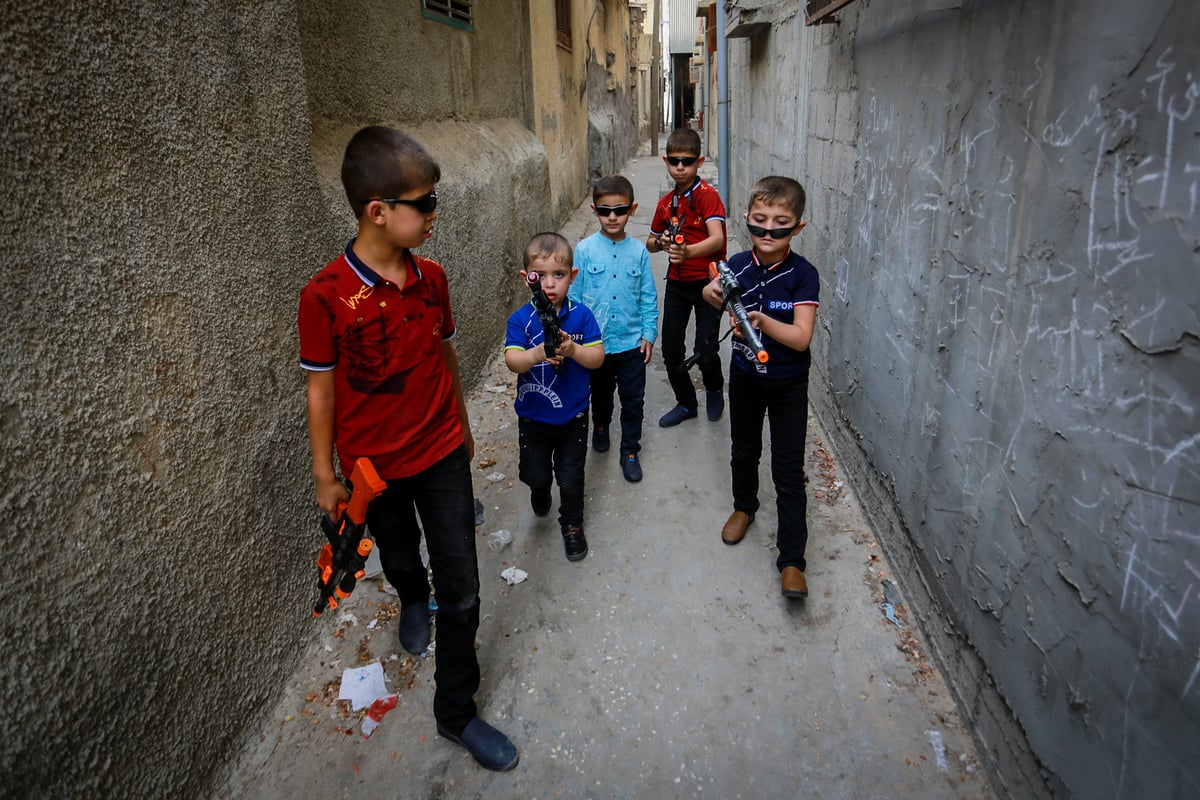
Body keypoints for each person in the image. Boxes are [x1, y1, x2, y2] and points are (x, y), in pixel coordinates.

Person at [298, 126, 518, 771]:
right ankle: (411, 598)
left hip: (442, 451)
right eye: (423, 203)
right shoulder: (325, 295)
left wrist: (462, 421)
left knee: (467, 590)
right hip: (373, 471)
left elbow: (445, 351)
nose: (433, 214)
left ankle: (456, 712)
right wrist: (324, 478)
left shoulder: (433, 278)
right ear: (378, 211)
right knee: (398, 556)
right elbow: (320, 394)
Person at [701, 176, 819, 599]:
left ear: (798, 228)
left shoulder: (803, 276)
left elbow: (802, 337)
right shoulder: (737, 264)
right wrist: (717, 293)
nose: (768, 233)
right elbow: (710, 290)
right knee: (743, 449)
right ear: (746, 220)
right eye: (759, 223)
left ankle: (792, 560)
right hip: (746, 377)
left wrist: (763, 322)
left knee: (788, 471)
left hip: (788, 384)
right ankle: (743, 506)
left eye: (780, 225)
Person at [505, 232, 605, 561]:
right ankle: (538, 487)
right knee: (535, 472)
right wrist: (537, 353)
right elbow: (512, 361)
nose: (550, 285)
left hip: (573, 416)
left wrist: (573, 349)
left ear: (572, 276)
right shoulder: (521, 319)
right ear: (527, 279)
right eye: (541, 276)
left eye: (558, 275)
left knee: (572, 478)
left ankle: (572, 525)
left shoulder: (582, 316)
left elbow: (597, 358)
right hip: (534, 417)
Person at [569, 175, 658, 483]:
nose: (612, 217)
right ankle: (602, 425)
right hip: (597, 346)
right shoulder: (584, 250)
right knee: (601, 394)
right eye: (605, 210)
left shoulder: (639, 253)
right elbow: (575, 298)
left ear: (631, 210)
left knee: (634, 399)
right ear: (595, 210)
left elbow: (648, 296)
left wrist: (649, 333)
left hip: (632, 344)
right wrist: (577, 341)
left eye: (619, 210)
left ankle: (630, 450)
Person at [646, 127, 728, 427]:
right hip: (677, 284)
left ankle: (715, 388)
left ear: (700, 161)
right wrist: (663, 243)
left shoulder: (707, 196)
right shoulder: (665, 203)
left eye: (687, 161)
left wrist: (688, 253)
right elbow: (650, 242)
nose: (680, 167)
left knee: (706, 349)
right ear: (666, 161)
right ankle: (686, 402)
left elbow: (717, 239)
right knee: (670, 349)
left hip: (709, 281)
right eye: (674, 160)